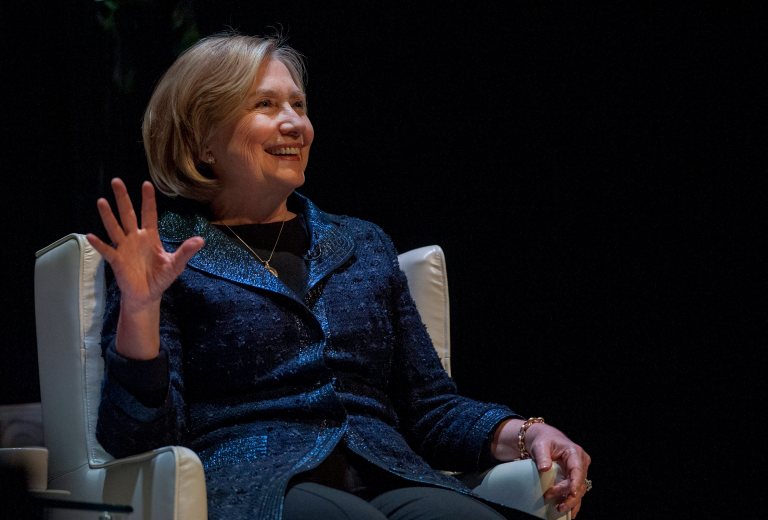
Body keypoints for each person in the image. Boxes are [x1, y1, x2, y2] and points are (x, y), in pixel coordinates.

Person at [86, 31, 591, 520]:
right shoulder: (163, 254)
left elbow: (429, 407)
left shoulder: (362, 243)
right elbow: (139, 437)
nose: (294, 124)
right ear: (202, 140)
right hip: (256, 485)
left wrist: (525, 433)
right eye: (265, 106)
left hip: (389, 475)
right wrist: (140, 307)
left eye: (299, 106)